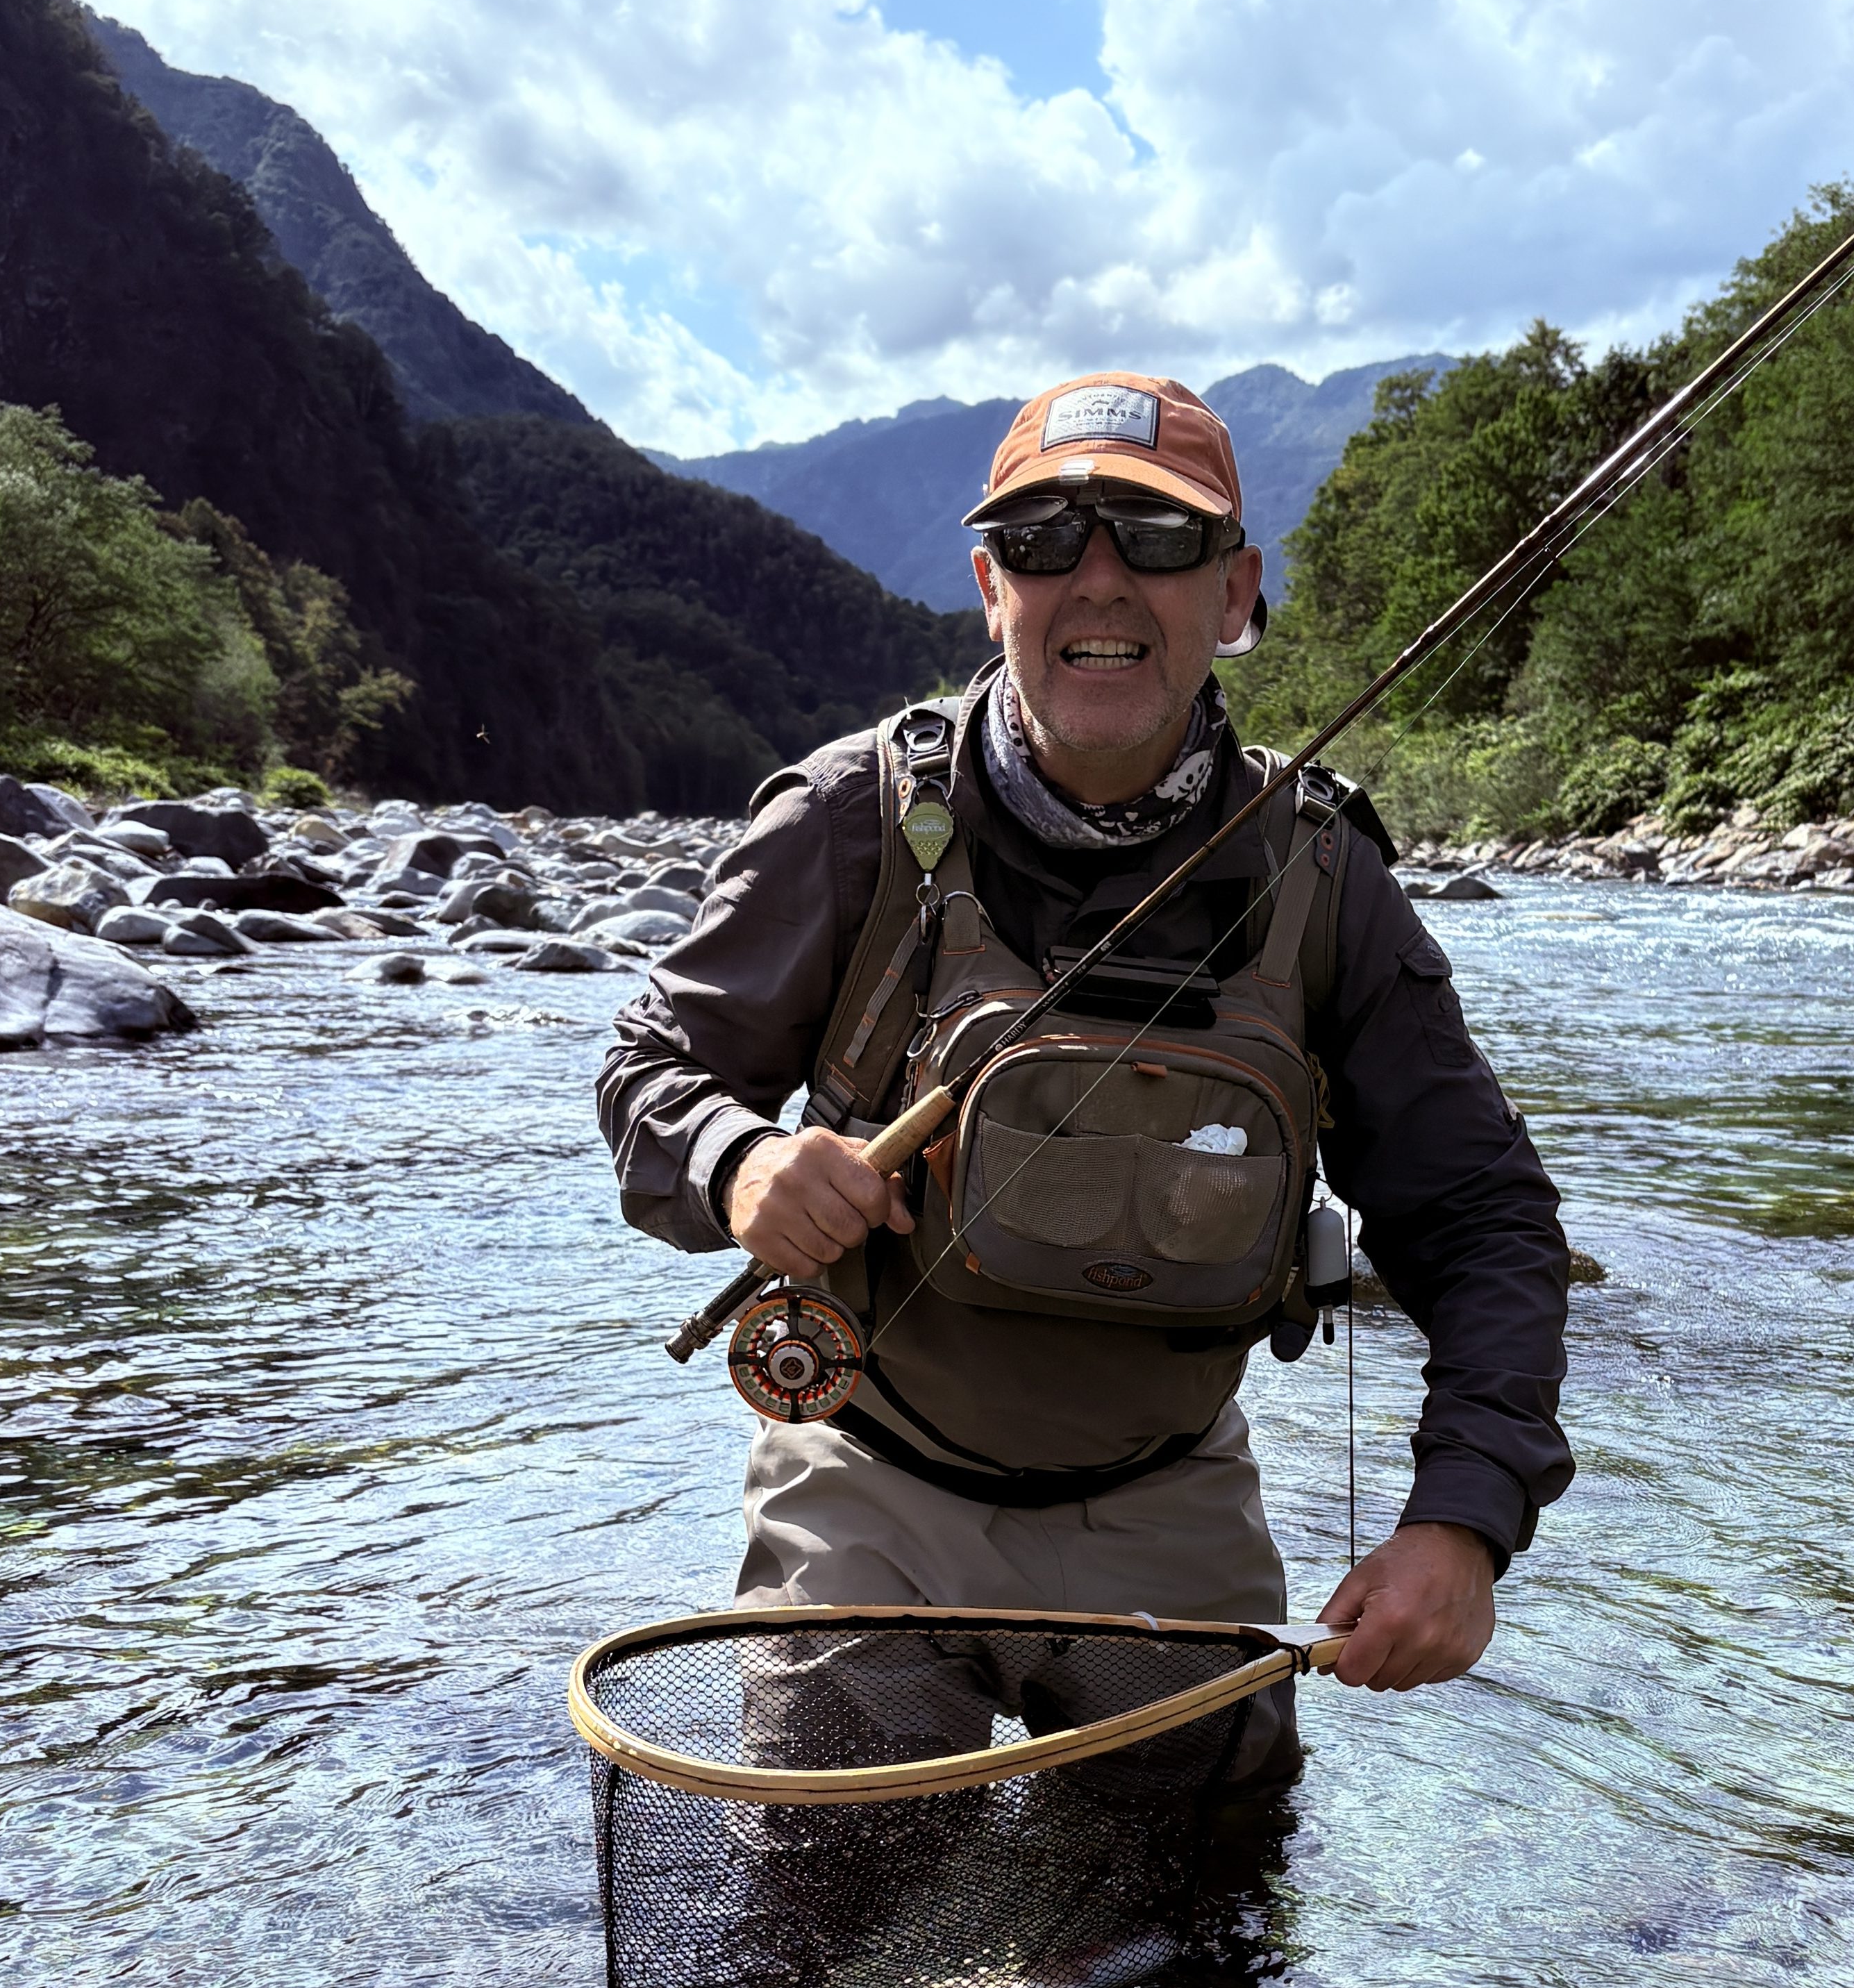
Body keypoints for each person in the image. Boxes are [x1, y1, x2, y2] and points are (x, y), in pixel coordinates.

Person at [595, 366, 1573, 1741]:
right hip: (869, 1492)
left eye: (1158, 539)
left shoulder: (1323, 871)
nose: (1100, 581)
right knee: (818, 1931)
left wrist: (1467, 1517)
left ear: (1234, 596)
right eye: (1049, 540)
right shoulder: (850, 820)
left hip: (1168, 1509)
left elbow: (1482, 1223)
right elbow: (650, 1073)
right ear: (992, 585)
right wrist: (737, 1160)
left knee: (1212, 1945)